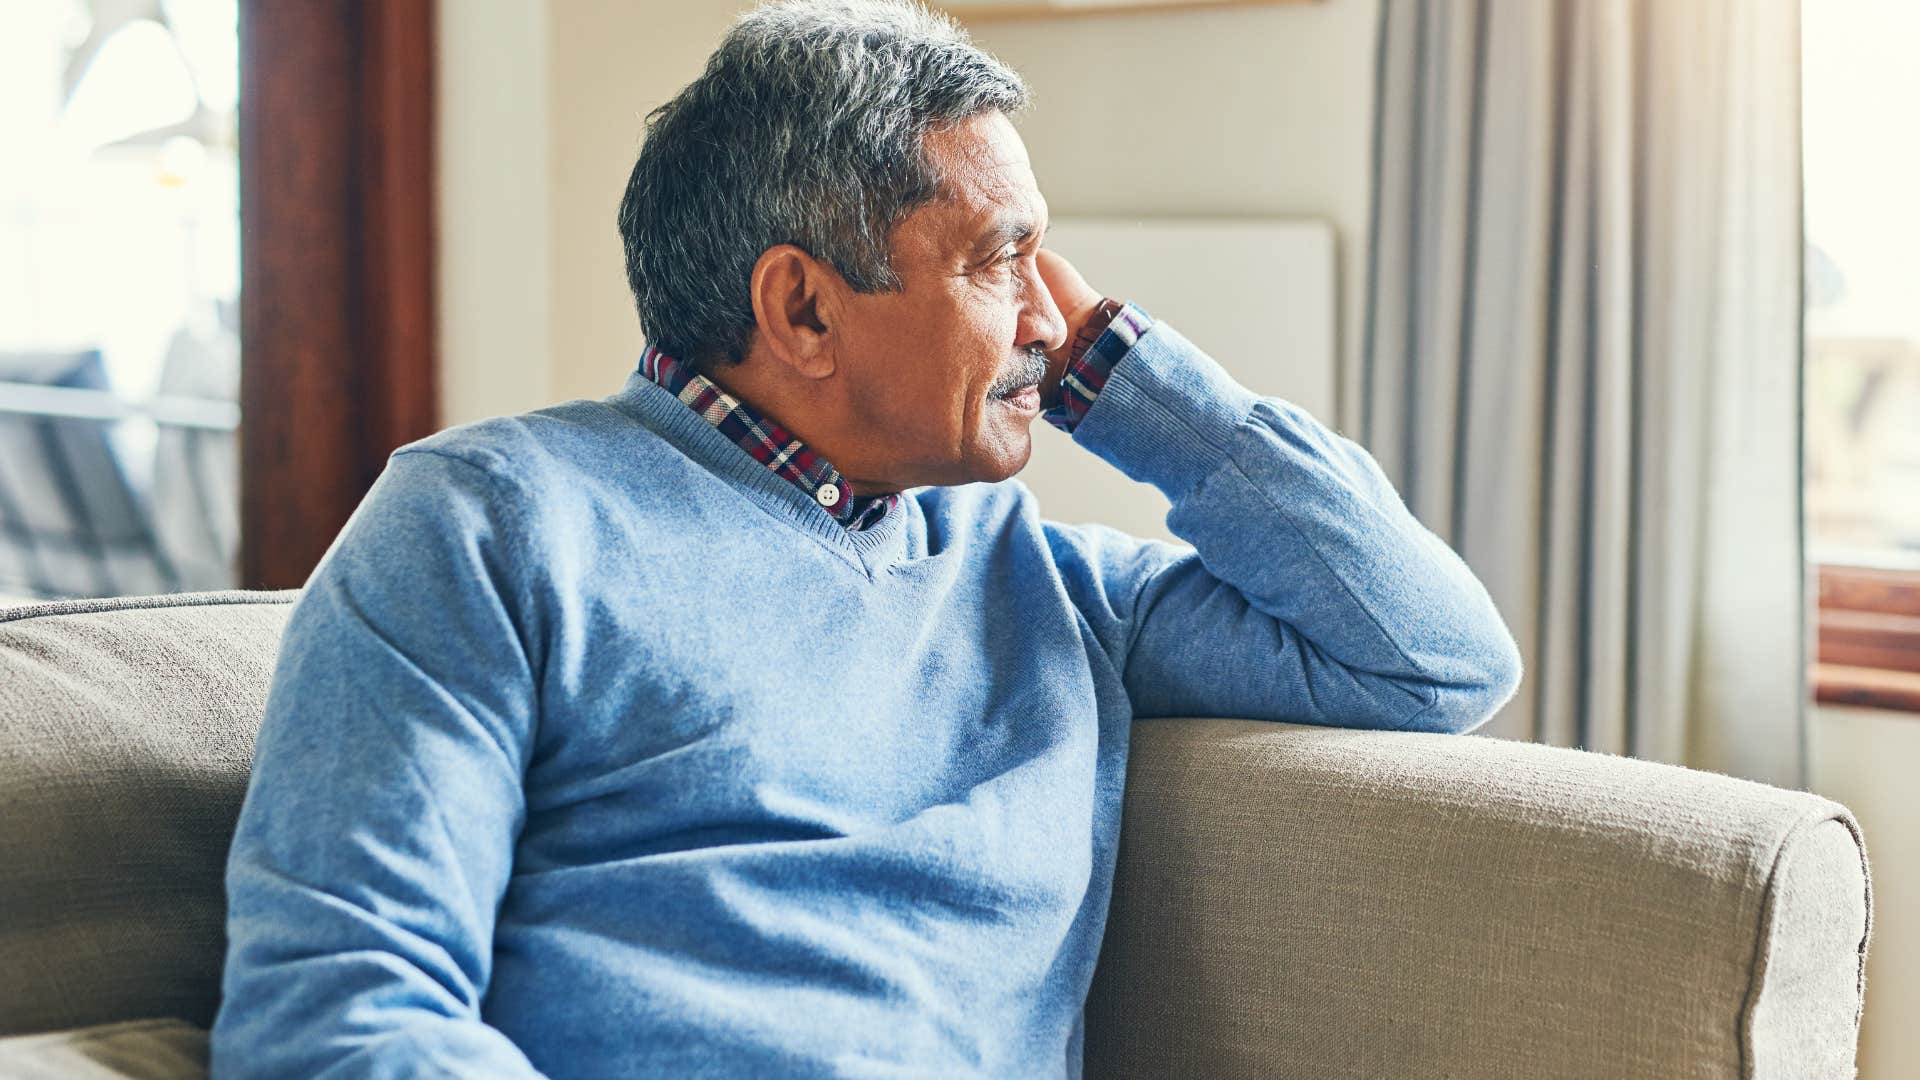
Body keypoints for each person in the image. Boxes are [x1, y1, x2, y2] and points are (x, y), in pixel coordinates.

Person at [211, 1, 1523, 1076]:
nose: (1045, 323)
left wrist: (1137, 386)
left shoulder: (1049, 588)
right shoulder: (487, 525)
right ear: (804, 310)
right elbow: (339, 1020)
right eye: (1001, 263)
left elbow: (1431, 660)